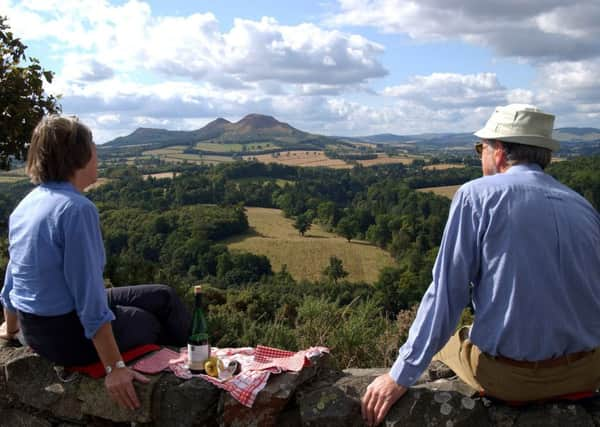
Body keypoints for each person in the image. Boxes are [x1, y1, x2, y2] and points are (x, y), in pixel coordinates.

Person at [361, 104, 600, 426]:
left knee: (449, 341)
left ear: (499, 151)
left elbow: (447, 294)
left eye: (481, 148)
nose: (480, 156)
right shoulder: (582, 206)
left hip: (512, 380)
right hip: (586, 374)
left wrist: (398, 377)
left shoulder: (476, 195)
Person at [0, 115, 192, 410]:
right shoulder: (76, 209)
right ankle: (193, 379)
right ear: (79, 155)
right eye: (93, 146)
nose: (97, 154)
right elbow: (88, 296)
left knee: (162, 295)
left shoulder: (26, 205)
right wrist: (115, 368)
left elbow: (13, 279)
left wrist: (11, 328)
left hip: (36, 328)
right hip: (67, 335)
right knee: (149, 321)